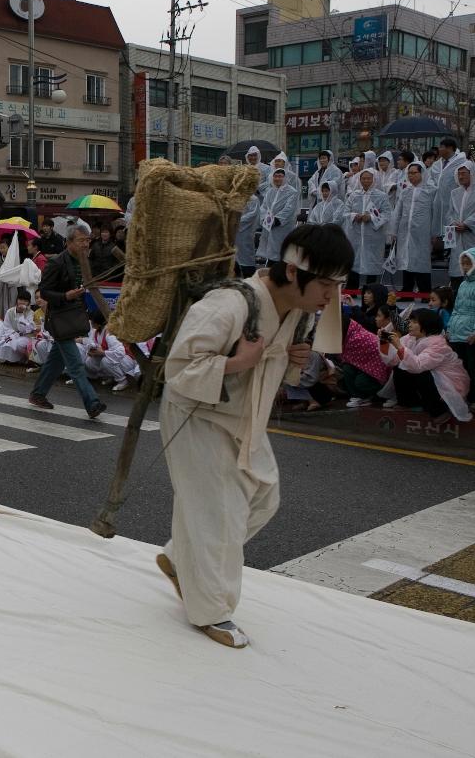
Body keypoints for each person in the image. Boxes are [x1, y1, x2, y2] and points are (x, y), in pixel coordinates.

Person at [155, 223, 352, 649]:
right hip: (198, 416)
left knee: (264, 496)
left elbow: (278, 364)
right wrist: (237, 363)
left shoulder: (298, 309)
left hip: (244, 417)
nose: (329, 295)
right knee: (218, 515)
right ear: (295, 272)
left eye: (336, 285)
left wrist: (293, 358)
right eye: (325, 283)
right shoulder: (228, 304)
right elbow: (178, 370)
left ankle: (179, 559)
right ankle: (211, 610)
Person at [28, 220, 106, 418]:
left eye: (88, 240)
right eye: (81, 241)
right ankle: (92, 402)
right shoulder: (56, 262)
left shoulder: (84, 260)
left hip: (74, 316)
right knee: (75, 365)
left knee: (56, 360)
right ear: (69, 242)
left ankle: (38, 394)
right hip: (59, 319)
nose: (85, 244)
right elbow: (44, 291)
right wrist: (65, 296)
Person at [381, 308, 471, 423]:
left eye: (414, 322)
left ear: (426, 325)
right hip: (433, 379)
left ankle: (440, 410)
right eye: (410, 321)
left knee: (423, 374)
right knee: (400, 367)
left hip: (450, 384)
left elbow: (418, 365)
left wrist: (399, 346)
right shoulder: (410, 338)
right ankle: (409, 402)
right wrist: (384, 342)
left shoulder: (438, 344)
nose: (409, 324)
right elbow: (392, 360)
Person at [447, 248, 475, 412]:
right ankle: (462, 397)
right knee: (460, 368)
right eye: (463, 263)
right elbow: (456, 308)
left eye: (468, 263)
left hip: (472, 333)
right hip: (457, 331)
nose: (465, 267)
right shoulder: (463, 283)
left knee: (474, 368)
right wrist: (450, 327)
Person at [388, 162, 440, 297]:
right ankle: (407, 290)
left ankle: (425, 292)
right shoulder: (405, 191)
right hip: (405, 232)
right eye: (409, 173)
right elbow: (397, 212)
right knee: (406, 260)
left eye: (414, 173)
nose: (411, 176)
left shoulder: (431, 190)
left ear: (421, 173)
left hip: (423, 233)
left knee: (421, 261)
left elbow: (436, 213)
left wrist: (435, 233)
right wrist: (394, 231)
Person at [443, 163, 475, 288]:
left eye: (463, 173)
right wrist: (453, 223)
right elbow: (450, 213)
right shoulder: (455, 193)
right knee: (457, 269)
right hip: (458, 237)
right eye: (458, 174)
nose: (460, 176)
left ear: (472, 174)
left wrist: (467, 224)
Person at [343, 169, 390, 290]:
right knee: (355, 261)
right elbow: (345, 212)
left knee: (372, 262)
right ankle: (351, 289)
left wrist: (371, 217)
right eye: (363, 178)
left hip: (373, 237)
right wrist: (355, 216)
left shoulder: (381, 196)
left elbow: (387, 214)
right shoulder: (354, 195)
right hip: (356, 236)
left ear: (374, 180)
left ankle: (371, 290)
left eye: (369, 178)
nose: (366, 181)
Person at [80, 310, 140, 392]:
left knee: (106, 361)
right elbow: (93, 343)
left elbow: (120, 352)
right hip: (112, 356)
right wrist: (91, 352)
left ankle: (122, 380)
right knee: (90, 362)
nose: (91, 323)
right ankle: (111, 376)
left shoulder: (109, 333)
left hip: (126, 358)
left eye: (92, 322)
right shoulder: (97, 331)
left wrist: (102, 353)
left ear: (98, 323)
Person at [256, 168, 298, 265]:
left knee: (283, 252)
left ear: (285, 178)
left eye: (280, 176)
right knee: (271, 252)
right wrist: (265, 219)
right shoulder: (270, 191)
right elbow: (264, 207)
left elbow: (288, 210)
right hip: (270, 226)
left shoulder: (292, 192)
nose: (277, 178)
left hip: (283, 228)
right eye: (275, 176)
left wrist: (276, 220)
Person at [0, 290, 37, 365]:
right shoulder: (10, 311)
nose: (22, 302)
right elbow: (6, 326)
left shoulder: (31, 313)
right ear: (17, 300)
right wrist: (13, 334)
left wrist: (23, 314)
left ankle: (24, 358)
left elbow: (29, 329)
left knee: (18, 344)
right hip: (13, 334)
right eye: (20, 299)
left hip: (26, 336)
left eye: (25, 301)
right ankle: (5, 359)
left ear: (29, 303)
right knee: (4, 341)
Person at [235, 190, 260, 278]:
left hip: (246, 230)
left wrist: (237, 220)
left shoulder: (253, 199)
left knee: (246, 251)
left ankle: (249, 273)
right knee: (236, 252)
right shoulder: (236, 197)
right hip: (235, 230)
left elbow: (252, 214)